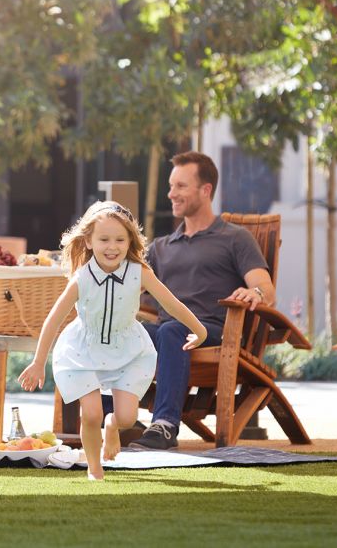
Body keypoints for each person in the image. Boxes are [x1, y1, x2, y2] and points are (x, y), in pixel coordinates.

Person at [17, 201, 207, 480]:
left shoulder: (139, 272)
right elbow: (54, 320)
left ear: (130, 240)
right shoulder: (82, 278)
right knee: (91, 413)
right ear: (89, 242)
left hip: (127, 349)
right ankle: (96, 469)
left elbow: (172, 303)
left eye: (120, 239)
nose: (112, 246)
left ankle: (112, 426)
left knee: (127, 417)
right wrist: (37, 362)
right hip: (83, 350)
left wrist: (199, 330)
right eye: (104, 239)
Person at [127, 150, 275, 451]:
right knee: (118, 333)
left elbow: (265, 289)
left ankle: (166, 426)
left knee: (173, 330)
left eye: (180, 186)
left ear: (205, 190)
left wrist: (254, 294)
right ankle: (117, 420)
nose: (171, 194)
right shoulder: (161, 247)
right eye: (171, 186)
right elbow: (128, 288)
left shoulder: (235, 238)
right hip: (170, 337)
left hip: (214, 333)